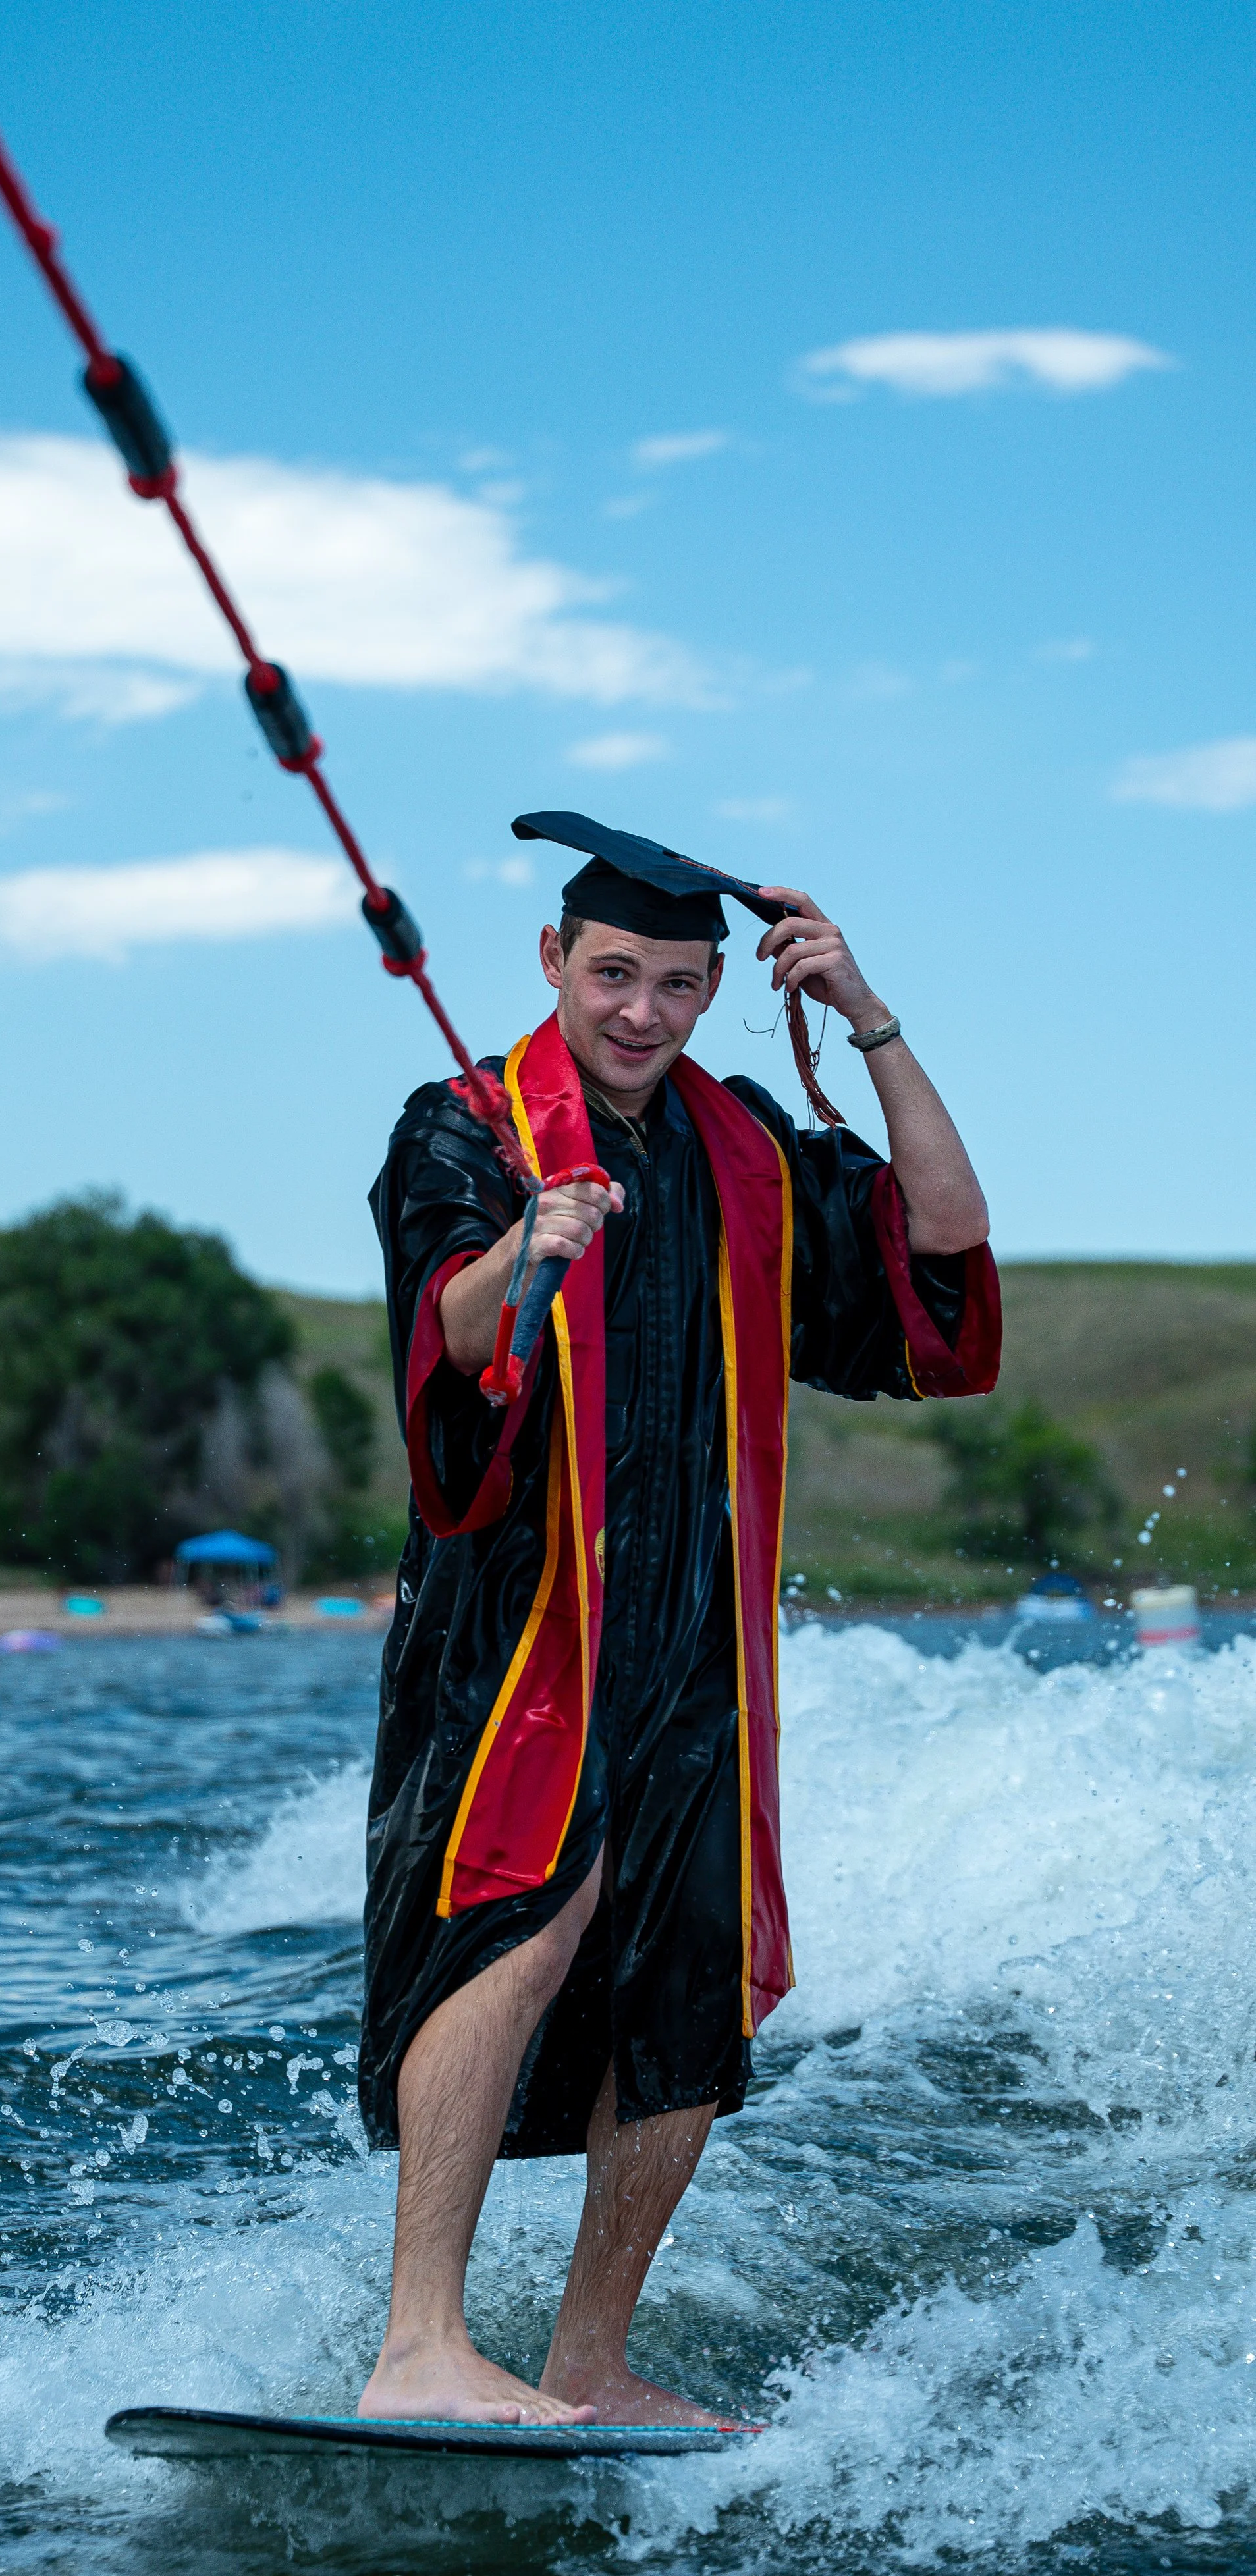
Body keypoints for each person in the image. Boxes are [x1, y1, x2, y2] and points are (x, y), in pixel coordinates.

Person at [357, 811, 1000, 2427]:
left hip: (698, 1621)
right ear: (553, 962)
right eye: (613, 973)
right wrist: (527, 1245)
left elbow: (937, 1256)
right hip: (518, 1616)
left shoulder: (748, 1152)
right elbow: (441, 1329)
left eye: (677, 983)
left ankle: (587, 2357)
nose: (639, 1011)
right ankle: (417, 2345)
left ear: (715, 991)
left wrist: (867, 1016)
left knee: (688, 1987)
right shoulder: (463, 1124)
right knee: (520, 1918)